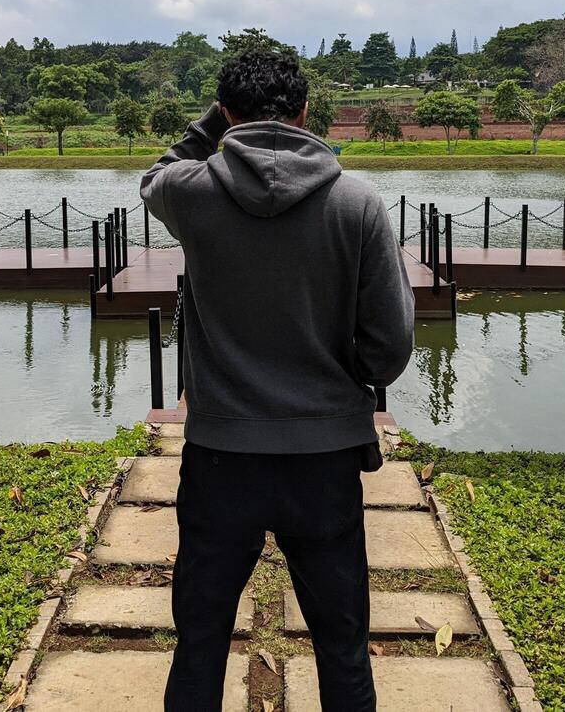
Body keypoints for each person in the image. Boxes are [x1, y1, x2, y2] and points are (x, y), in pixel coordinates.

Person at [140, 40, 415, 711]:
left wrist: (210, 125)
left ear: (225, 111)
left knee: (201, 639)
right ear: (306, 110)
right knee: (341, 642)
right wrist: (338, 377)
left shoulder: (190, 195)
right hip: (322, 461)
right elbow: (390, 349)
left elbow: (155, 175)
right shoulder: (357, 203)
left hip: (220, 456)